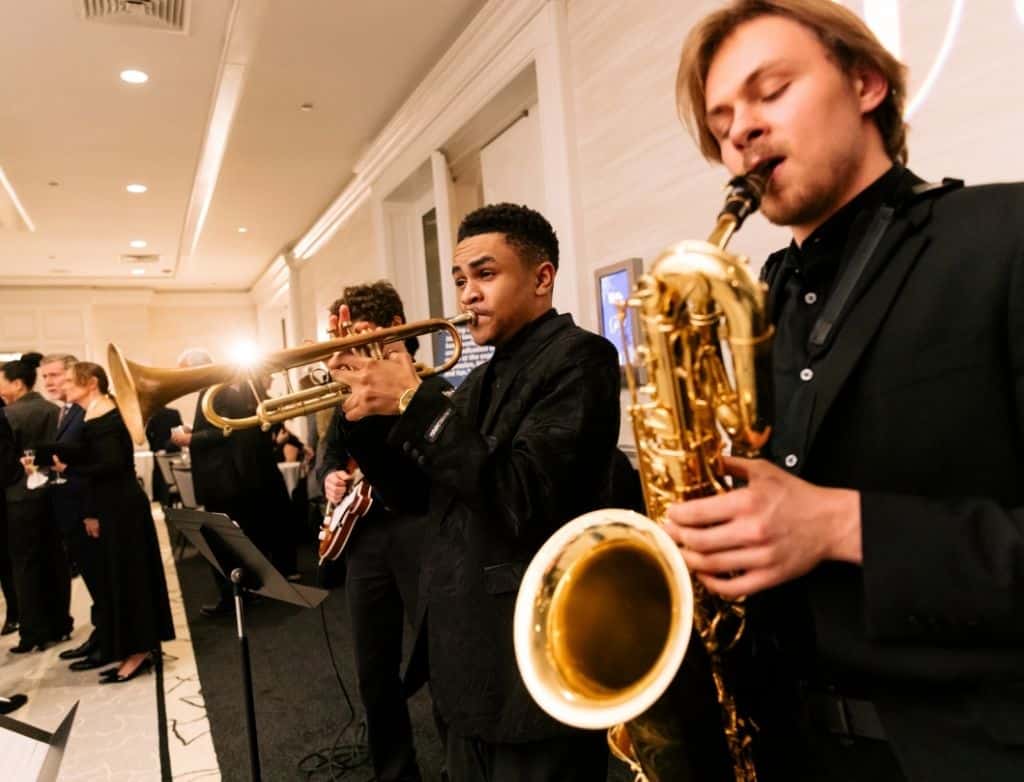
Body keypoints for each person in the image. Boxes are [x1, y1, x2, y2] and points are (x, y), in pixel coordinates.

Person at [664, 2, 1024, 780]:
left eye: (771, 91)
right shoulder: (762, 300)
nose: (740, 132)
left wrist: (840, 525)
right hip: (787, 745)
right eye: (722, 118)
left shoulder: (1005, 234)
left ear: (865, 83)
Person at [335, 204, 621, 781]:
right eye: (461, 280)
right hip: (465, 655)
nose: (468, 295)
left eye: (486, 275)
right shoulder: (483, 376)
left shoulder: (582, 359)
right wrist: (366, 412)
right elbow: (415, 493)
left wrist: (416, 402)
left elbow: (523, 497)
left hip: (532, 659)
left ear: (542, 278)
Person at [318, 281, 435, 782]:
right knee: (372, 665)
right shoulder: (347, 396)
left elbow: (412, 475)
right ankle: (394, 771)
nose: (350, 347)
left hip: (419, 531)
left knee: (443, 657)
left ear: (394, 330)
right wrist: (328, 475)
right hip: (366, 537)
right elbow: (330, 450)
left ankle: (463, 765)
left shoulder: (433, 388)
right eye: (342, 335)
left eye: (361, 334)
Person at [55, 362, 174, 682]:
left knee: (130, 577)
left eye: (69, 380)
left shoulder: (107, 413)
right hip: (113, 505)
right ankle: (134, 648)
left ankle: (141, 652)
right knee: (119, 577)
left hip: (122, 507)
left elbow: (112, 464)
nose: (63, 385)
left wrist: (69, 469)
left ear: (91, 383)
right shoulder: (97, 411)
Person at [38, 354, 109, 671]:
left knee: (100, 576)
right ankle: (100, 634)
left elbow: (94, 466)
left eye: (56, 376)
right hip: (69, 506)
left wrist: (91, 512)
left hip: (85, 507)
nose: (51, 383)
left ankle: (108, 640)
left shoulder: (85, 410)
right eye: (46, 377)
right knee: (93, 579)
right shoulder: (66, 411)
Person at [0, 352, 71, 653]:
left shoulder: (8, 414)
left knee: (26, 567)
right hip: (53, 492)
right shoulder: (55, 410)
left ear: (17, 383)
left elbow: (4, 465)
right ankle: (60, 623)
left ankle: (32, 631)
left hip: (19, 498)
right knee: (56, 559)